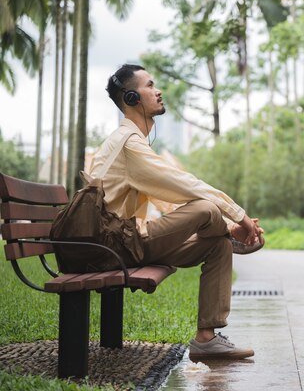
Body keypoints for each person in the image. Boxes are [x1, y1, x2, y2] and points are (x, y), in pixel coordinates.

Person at [89, 63, 263, 360]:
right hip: (113, 246)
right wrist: (239, 216)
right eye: (149, 85)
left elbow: (167, 200)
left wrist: (225, 224)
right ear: (131, 99)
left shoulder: (134, 143)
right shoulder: (128, 144)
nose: (158, 91)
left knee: (219, 245)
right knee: (207, 208)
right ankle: (232, 233)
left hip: (126, 242)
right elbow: (185, 184)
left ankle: (206, 339)